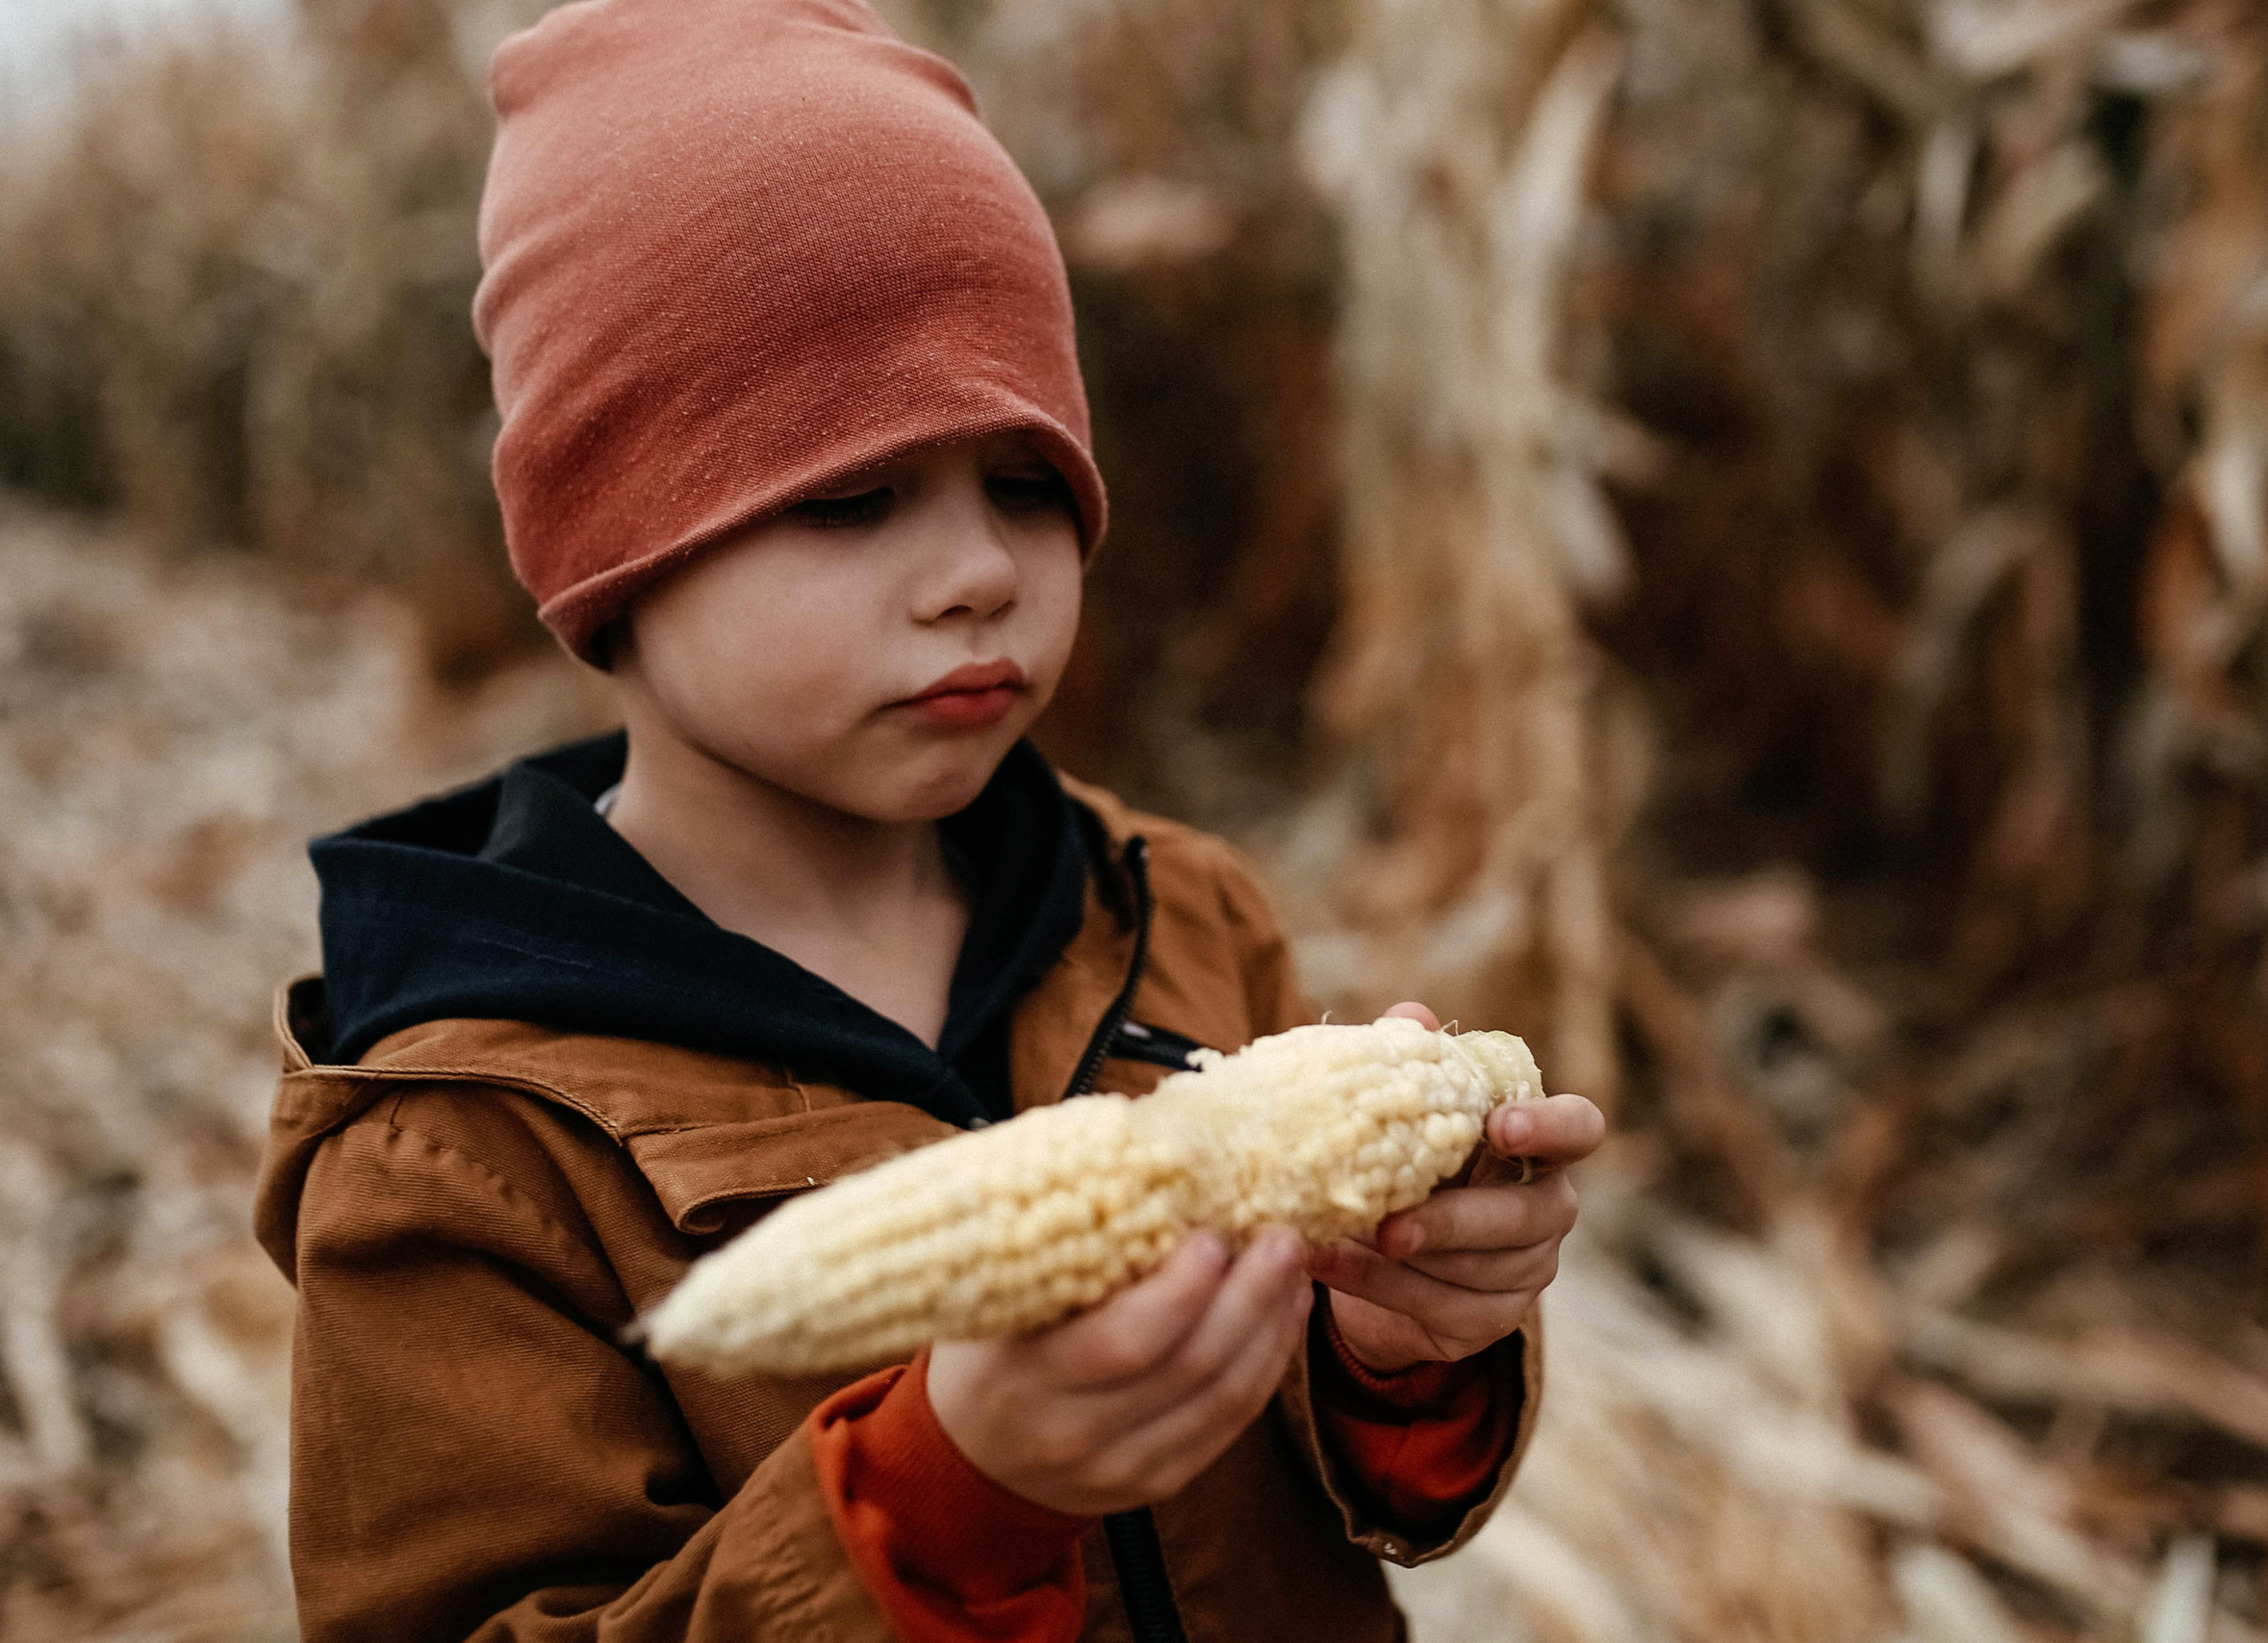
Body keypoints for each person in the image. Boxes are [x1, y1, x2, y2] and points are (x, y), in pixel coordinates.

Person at [252, 0, 1606, 1638]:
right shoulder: (457, 1158)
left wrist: (1403, 1356)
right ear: (613, 550)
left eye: (1027, 480)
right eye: (850, 497)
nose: (982, 573)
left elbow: (1327, 1508)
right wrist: (947, 1501)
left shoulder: (1185, 914)